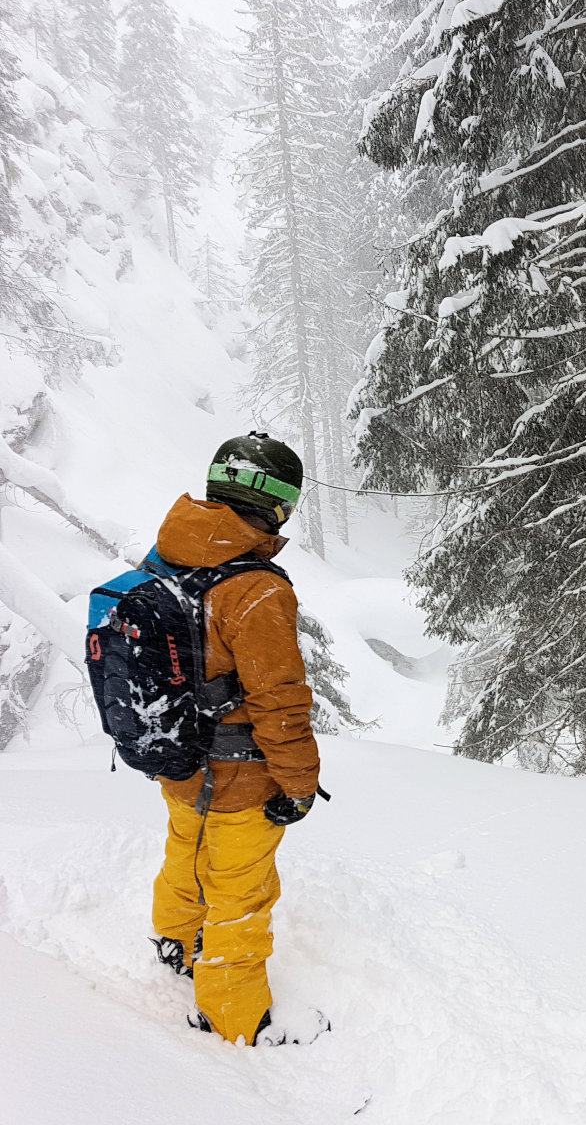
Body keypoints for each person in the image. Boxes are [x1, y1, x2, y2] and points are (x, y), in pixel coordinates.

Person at [147, 432, 321, 1045]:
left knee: (185, 854)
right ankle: (234, 1018)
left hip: (176, 755)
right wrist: (299, 785)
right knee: (241, 894)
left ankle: (174, 942)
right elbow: (281, 702)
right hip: (243, 775)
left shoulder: (165, 556)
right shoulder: (257, 589)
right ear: (274, 503)